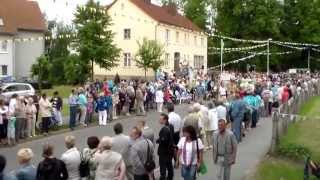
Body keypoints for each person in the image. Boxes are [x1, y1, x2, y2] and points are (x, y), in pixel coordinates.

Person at [156, 113, 175, 180]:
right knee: (169, 166)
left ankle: (163, 178)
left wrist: (159, 140)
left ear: (165, 120)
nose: (159, 120)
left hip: (164, 152)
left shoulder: (165, 129)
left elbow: (164, 141)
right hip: (170, 150)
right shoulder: (171, 126)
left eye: (160, 119)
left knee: (163, 168)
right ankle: (170, 178)